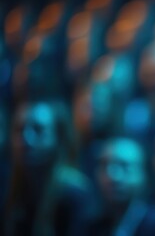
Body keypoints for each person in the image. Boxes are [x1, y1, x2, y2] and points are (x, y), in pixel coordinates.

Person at [3, 99, 95, 236]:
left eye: (38, 130)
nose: (26, 138)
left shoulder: (74, 195)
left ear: (58, 138)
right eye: (19, 129)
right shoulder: (10, 189)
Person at [90, 137, 150, 236]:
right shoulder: (90, 226)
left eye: (124, 166)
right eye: (104, 165)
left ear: (143, 174)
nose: (112, 176)